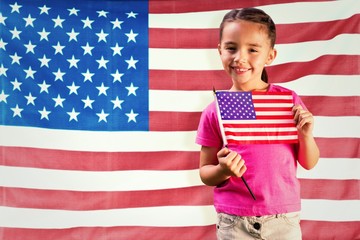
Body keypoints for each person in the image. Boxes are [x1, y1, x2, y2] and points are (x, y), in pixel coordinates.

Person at [196, 8, 320, 240]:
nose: (240, 58)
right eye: (231, 48)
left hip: (283, 218)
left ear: (270, 56)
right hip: (233, 220)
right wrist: (223, 170)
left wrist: (306, 136)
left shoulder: (287, 101)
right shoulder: (215, 110)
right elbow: (205, 172)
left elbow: (309, 162)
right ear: (220, 50)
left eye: (252, 49)